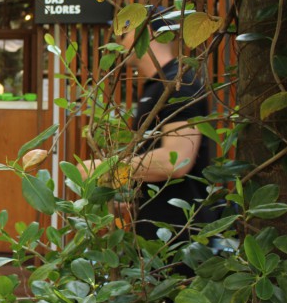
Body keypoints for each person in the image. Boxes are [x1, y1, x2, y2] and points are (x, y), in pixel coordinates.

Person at [78, 15, 214, 241]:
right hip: (158, 235)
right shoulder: (156, 86)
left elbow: (176, 161)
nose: (118, 41)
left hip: (180, 239)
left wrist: (106, 169)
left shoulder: (178, 85)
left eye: (124, 33)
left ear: (149, 33)